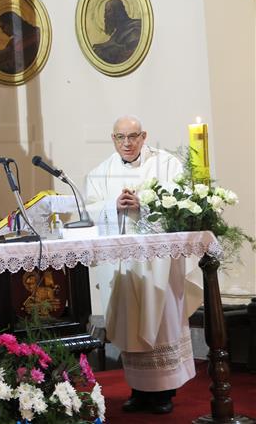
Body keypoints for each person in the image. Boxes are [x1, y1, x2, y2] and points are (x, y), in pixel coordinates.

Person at [85, 115, 202, 414]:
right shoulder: (100, 172)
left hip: (159, 265)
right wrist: (114, 206)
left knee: (161, 321)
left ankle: (165, 392)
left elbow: (181, 206)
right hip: (124, 268)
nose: (127, 143)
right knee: (130, 325)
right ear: (113, 138)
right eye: (120, 137)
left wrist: (144, 206)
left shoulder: (167, 165)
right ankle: (138, 391)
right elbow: (89, 213)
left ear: (144, 135)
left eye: (133, 136)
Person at [92, 0, 142, 64]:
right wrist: (101, 46)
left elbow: (130, 52)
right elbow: (111, 44)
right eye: (105, 12)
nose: (105, 16)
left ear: (118, 11)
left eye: (109, 11)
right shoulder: (118, 32)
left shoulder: (135, 28)